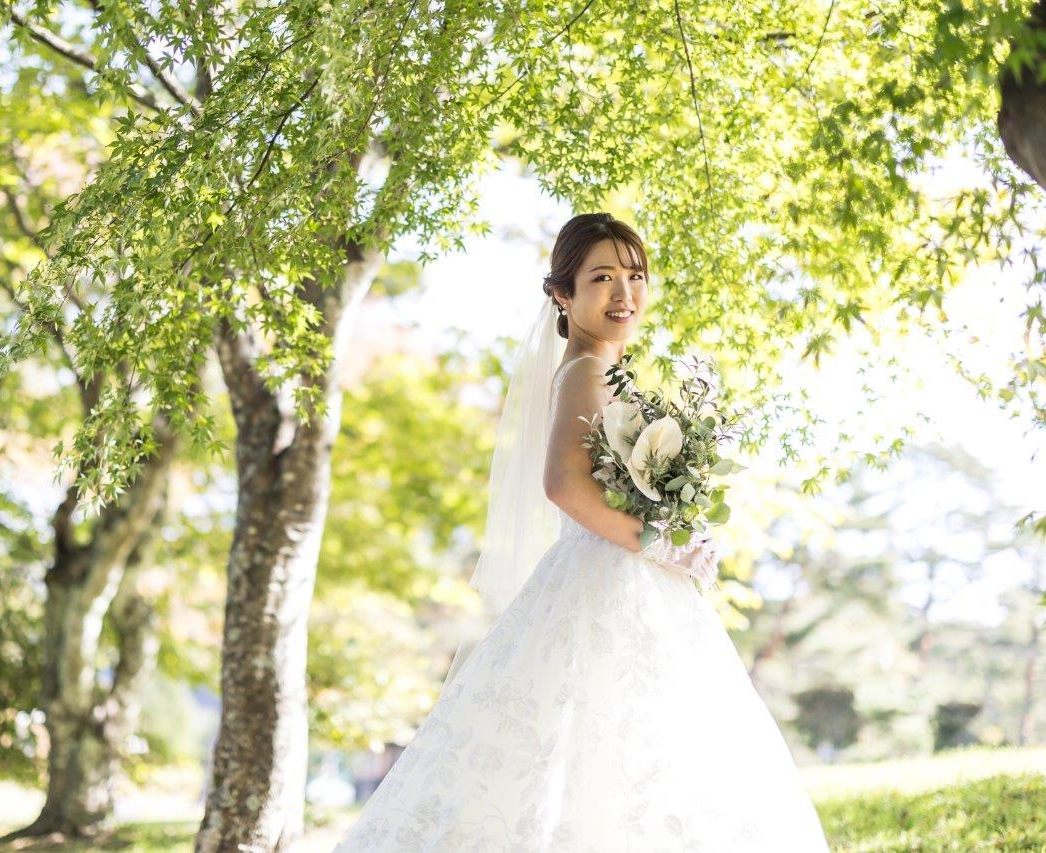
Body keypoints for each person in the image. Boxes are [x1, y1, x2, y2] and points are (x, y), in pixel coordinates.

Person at [333, 213, 830, 851]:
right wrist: (662, 543)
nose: (624, 293)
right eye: (601, 278)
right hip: (608, 576)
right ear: (563, 295)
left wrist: (677, 523)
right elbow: (565, 486)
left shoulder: (599, 371)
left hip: (621, 572)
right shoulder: (586, 372)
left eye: (635, 275)